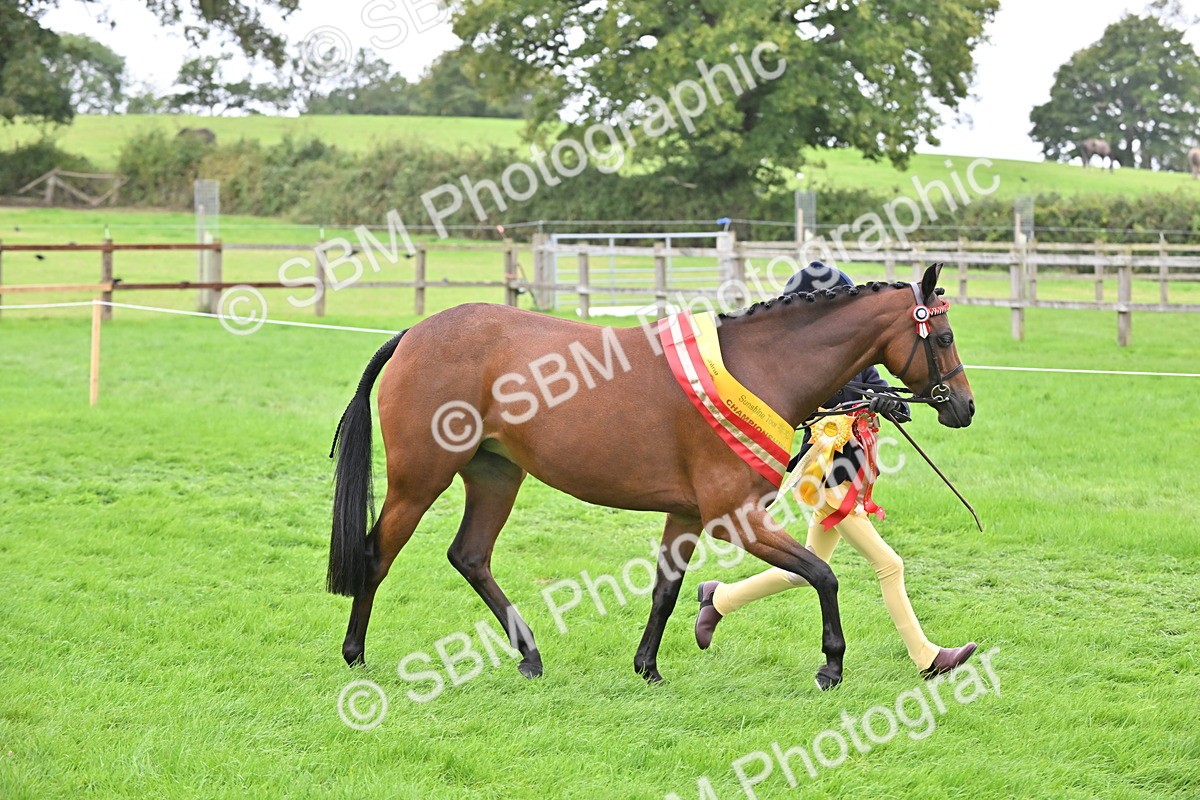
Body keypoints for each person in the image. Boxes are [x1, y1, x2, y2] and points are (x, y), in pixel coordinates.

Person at [694, 262, 976, 678]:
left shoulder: (854, 347)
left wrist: (885, 402)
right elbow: (802, 410)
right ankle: (928, 657)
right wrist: (856, 403)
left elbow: (879, 389)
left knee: (802, 570)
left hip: (850, 466)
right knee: (889, 565)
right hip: (825, 471)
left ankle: (718, 599)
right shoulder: (795, 360)